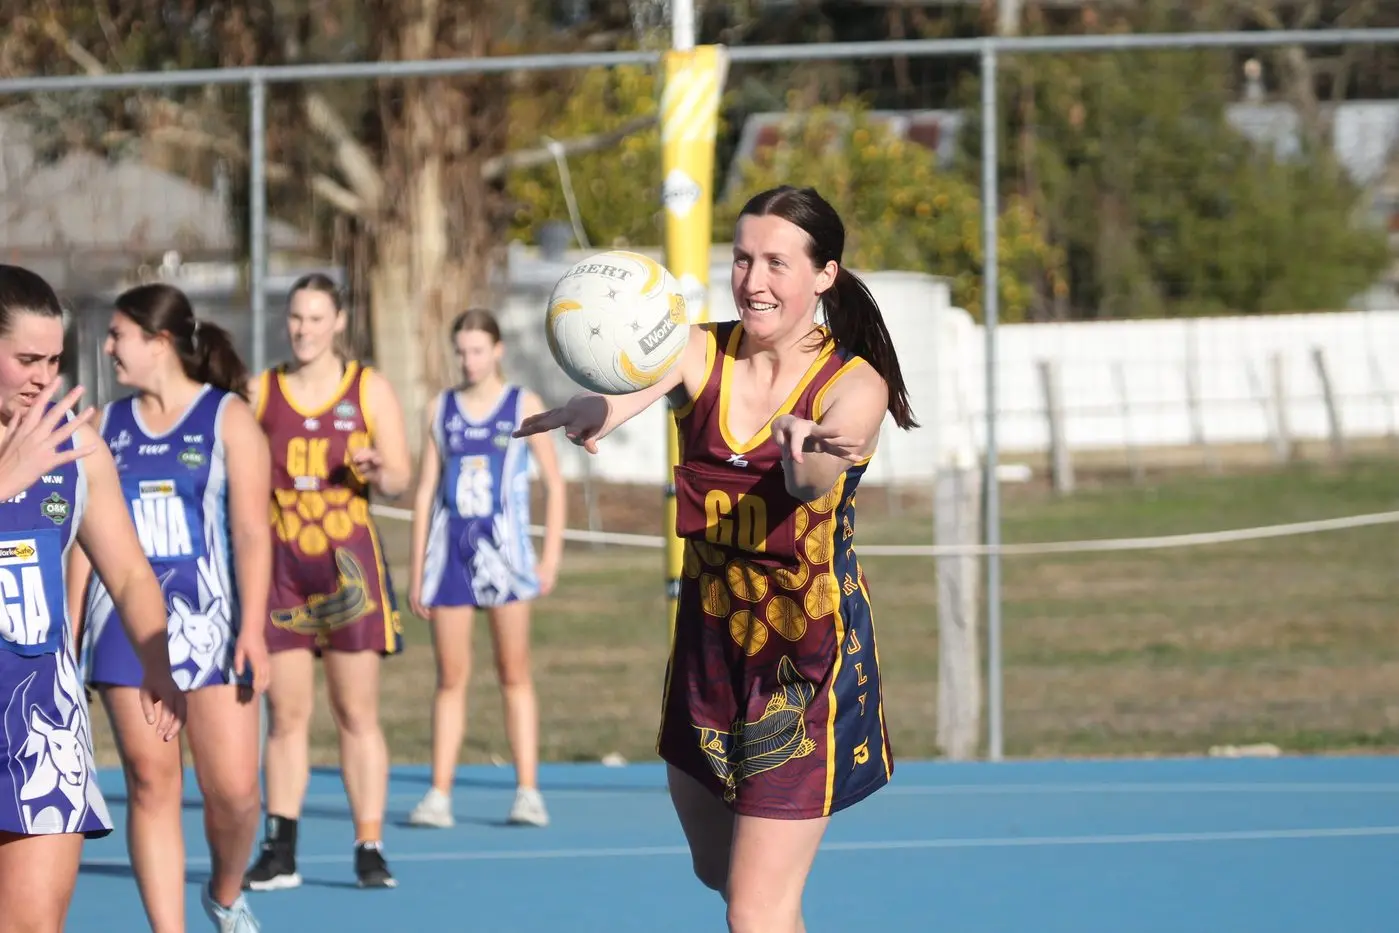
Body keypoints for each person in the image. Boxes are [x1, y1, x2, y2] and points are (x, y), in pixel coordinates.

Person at [515, 185, 916, 933]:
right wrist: (590, 407)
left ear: (824, 275)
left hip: (801, 667)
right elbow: (633, 388)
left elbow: (815, 475)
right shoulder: (699, 347)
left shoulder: (853, 383)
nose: (752, 280)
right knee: (719, 870)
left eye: (775, 263)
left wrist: (803, 456)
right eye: (740, 259)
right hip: (707, 650)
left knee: (754, 909)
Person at [69, 283, 271, 933]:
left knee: (235, 794)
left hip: (211, 624)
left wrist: (256, 629)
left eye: (118, 335)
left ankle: (225, 890)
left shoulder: (228, 419)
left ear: (158, 342)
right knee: (154, 784)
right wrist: (68, 635)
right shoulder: (104, 427)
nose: (108, 348)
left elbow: (251, 531)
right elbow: (83, 542)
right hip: (126, 626)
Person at [0, 263, 185, 933]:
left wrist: (158, 661)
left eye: (53, 360)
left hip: (39, 727)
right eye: (26, 358)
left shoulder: (77, 447)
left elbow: (132, 575)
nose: (43, 377)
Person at [241, 273, 411, 892]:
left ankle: (369, 844)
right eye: (295, 318)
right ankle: (279, 846)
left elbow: (400, 478)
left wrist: (379, 466)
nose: (303, 329)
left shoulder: (367, 389)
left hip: (349, 573)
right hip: (281, 570)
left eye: (315, 318)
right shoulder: (261, 391)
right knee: (285, 715)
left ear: (338, 321)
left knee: (355, 711)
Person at [404, 309, 565, 830]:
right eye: (461, 350)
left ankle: (527, 790)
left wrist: (550, 557)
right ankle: (439, 793)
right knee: (450, 677)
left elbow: (555, 483)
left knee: (513, 672)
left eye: (477, 350)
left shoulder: (522, 405)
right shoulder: (441, 409)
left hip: (507, 558)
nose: (468, 360)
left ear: (496, 350)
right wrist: (417, 570)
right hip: (452, 558)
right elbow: (427, 490)